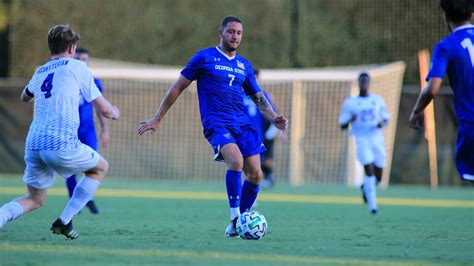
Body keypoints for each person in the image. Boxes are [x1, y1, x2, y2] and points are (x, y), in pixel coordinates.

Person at [137, 16, 288, 237]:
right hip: (217, 123)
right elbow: (178, 87)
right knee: (235, 161)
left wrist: (273, 116)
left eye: (239, 33)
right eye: (231, 32)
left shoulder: (244, 65)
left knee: (255, 175)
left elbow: (258, 97)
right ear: (221, 33)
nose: (235, 36)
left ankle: (238, 224)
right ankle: (235, 218)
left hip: (242, 125)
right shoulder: (204, 57)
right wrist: (157, 117)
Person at [0, 25, 120, 239]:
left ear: (50, 48)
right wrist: (114, 112)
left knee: (34, 199)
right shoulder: (78, 67)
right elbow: (103, 109)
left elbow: (24, 97)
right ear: (72, 47)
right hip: (60, 143)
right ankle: (64, 221)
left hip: (34, 143)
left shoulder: (41, 70)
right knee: (100, 168)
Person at [409, 0, 474, 182]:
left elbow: (433, 89)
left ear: (445, 17)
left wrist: (416, 111)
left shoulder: (446, 46)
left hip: (471, 124)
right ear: (471, 15)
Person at [65, 47, 110, 214]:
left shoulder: (94, 81)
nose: (82, 62)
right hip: (69, 131)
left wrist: (105, 129)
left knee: (93, 165)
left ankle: (86, 198)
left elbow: (100, 108)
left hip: (88, 131)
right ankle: (74, 202)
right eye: (79, 58)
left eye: (85, 59)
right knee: (69, 168)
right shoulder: (66, 79)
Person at [339, 73, 390, 214]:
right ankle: (373, 206)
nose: (364, 83)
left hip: (376, 138)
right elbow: (342, 126)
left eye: (366, 81)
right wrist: (350, 119)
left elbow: (386, 118)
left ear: (369, 83)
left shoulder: (377, 100)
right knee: (369, 169)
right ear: (359, 83)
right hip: (361, 139)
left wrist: (381, 124)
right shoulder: (350, 103)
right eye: (362, 81)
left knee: (378, 176)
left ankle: (366, 188)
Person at [242, 69, 279, 188]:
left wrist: (277, 128)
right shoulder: (237, 94)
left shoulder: (262, 95)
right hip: (240, 134)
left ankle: (252, 192)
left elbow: (272, 113)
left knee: (256, 165)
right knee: (242, 163)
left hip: (257, 135)